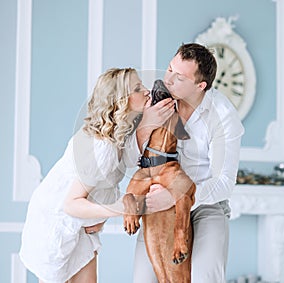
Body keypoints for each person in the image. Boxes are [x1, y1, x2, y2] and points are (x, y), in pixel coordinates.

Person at [19, 67, 175, 283]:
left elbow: (126, 159)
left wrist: (146, 125)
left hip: (78, 228)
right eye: (138, 88)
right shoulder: (102, 147)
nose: (147, 91)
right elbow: (71, 204)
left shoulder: (115, 132)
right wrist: (117, 209)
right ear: (121, 100)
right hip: (55, 225)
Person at [133, 43, 245, 282]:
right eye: (170, 68)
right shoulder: (156, 99)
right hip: (160, 201)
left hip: (207, 205)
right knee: (144, 278)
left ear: (200, 85)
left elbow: (224, 183)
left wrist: (178, 195)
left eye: (180, 77)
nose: (169, 79)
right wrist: (145, 125)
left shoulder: (223, 115)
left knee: (206, 276)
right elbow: (134, 157)